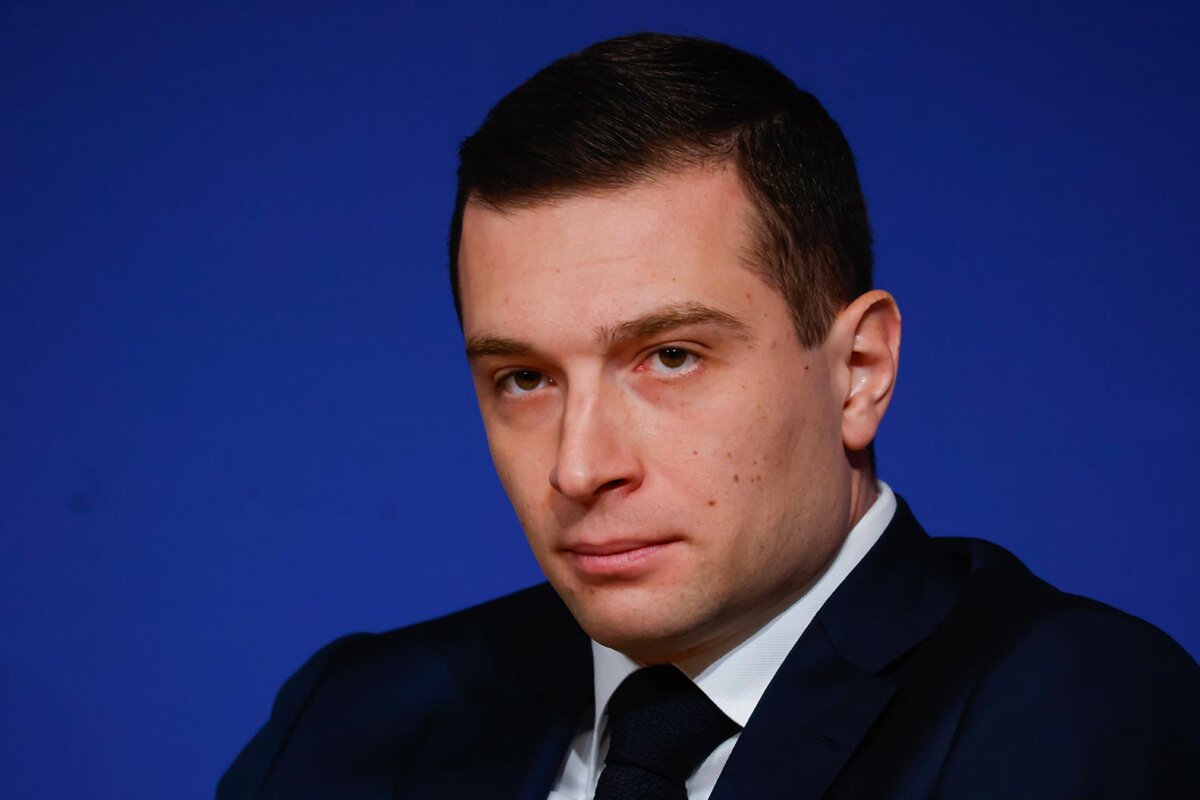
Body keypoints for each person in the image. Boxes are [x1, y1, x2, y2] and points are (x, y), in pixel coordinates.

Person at [217, 33, 1200, 799]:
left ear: (859, 371)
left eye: (671, 357)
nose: (579, 466)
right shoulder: (344, 723)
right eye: (523, 377)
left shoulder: (1079, 721)